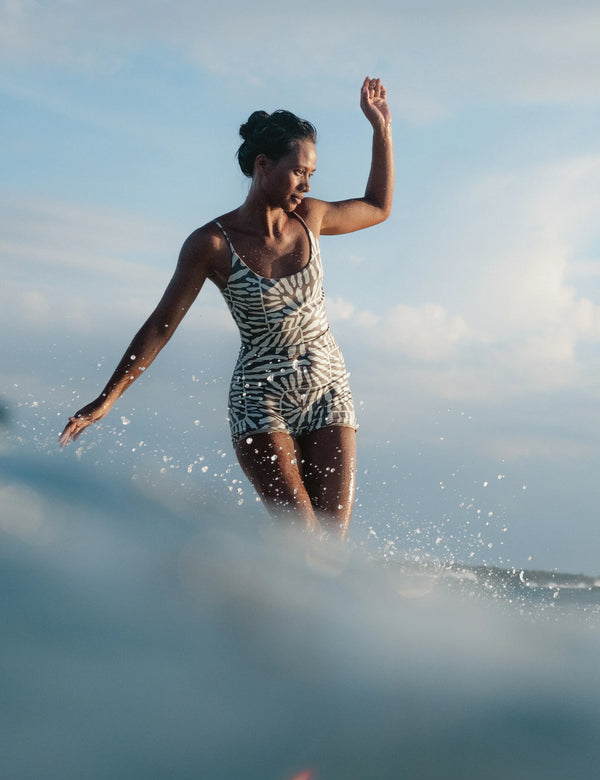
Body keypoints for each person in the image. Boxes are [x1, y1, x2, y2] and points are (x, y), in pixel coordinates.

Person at [59, 76, 394, 540]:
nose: (306, 183)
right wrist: (108, 396)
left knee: (334, 552)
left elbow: (377, 206)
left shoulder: (312, 218)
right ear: (263, 165)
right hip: (261, 402)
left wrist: (381, 130)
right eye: (298, 171)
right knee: (305, 542)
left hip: (328, 391)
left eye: (311, 174)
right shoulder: (212, 243)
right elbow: (161, 323)